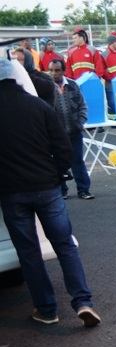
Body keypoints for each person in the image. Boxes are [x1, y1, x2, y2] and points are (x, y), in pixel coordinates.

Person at [0, 60, 101, 327]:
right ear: (19, 79)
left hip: (11, 193)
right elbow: (63, 147)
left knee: (29, 251)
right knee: (65, 245)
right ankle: (82, 302)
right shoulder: (39, 107)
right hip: (47, 188)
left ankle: (46, 309)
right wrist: (56, 176)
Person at [47, 59, 92, 200]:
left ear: (63, 71)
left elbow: (83, 106)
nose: (54, 73)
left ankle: (83, 189)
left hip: (74, 132)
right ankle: (62, 190)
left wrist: (79, 123)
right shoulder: (46, 87)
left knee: (77, 161)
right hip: (56, 135)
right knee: (57, 163)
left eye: (57, 70)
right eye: (51, 70)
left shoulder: (72, 85)